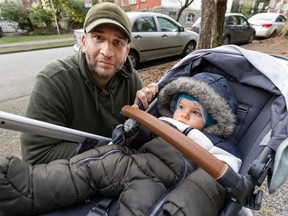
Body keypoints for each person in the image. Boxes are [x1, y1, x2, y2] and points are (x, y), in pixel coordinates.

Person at [0, 72, 242, 216]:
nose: (184, 115)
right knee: (86, 167)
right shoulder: (164, 121)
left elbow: (216, 180)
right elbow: (140, 138)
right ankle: (24, 185)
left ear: (212, 120)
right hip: (128, 159)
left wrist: (182, 206)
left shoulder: (217, 144)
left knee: (138, 207)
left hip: (162, 182)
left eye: (196, 112)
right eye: (181, 106)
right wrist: (133, 129)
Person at [20, 2, 158, 165]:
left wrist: (140, 117)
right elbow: (36, 155)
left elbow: (140, 142)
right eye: (98, 38)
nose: (107, 52)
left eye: (117, 42)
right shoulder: (54, 81)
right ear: (84, 42)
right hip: (73, 181)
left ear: (126, 51)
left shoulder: (130, 79)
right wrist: (108, 153)